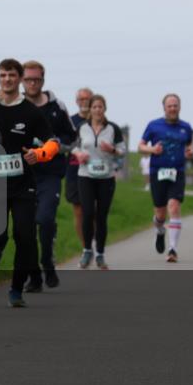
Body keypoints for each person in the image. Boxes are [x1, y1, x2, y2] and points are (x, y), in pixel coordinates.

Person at [0, 58, 58, 308]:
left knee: (25, 237)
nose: (7, 80)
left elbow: (52, 141)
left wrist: (39, 154)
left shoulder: (30, 111)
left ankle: (16, 290)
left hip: (24, 182)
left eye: (12, 75)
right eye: (3, 75)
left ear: (20, 78)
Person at [21, 60, 77, 291]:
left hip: (50, 174)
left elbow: (71, 138)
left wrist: (53, 147)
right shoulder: (15, 105)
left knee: (44, 220)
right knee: (25, 227)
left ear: (43, 81)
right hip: (22, 174)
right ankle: (34, 277)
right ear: (23, 81)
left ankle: (47, 261)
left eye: (37, 79)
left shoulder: (56, 106)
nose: (33, 83)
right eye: (28, 79)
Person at [69, 94, 126, 269]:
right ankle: (87, 251)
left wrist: (113, 149)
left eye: (100, 107)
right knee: (87, 213)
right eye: (94, 107)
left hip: (106, 178)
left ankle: (100, 254)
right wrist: (78, 154)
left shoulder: (113, 129)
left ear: (105, 109)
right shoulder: (82, 127)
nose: (97, 110)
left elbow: (123, 150)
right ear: (90, 109)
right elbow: (74, 146)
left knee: (101, 216)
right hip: (85, 175)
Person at [138, 93, 193, 264]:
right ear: (164, 108)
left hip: (177, 172)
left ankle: (172, 249)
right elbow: (140, 146)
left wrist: (190, 153)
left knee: (174, 206)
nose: (172, 108)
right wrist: (152, 150)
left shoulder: (186, 127)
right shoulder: (154, 126)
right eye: (169, 106)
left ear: (180, 107)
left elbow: (190, 146)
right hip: (158, 172)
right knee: (160, 214)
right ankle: (160, 230)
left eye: (175, 105)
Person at [66, 87, 93, 246]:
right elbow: (65, 142)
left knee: (94, 211)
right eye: (81, 99)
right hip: (74, 170)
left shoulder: (99, 120)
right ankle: (86, 247)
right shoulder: (70, 121)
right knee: (79, 211)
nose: (84, 102)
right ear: (76, 102)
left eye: (87, 99)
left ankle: (96, 241)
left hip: (95, 171)